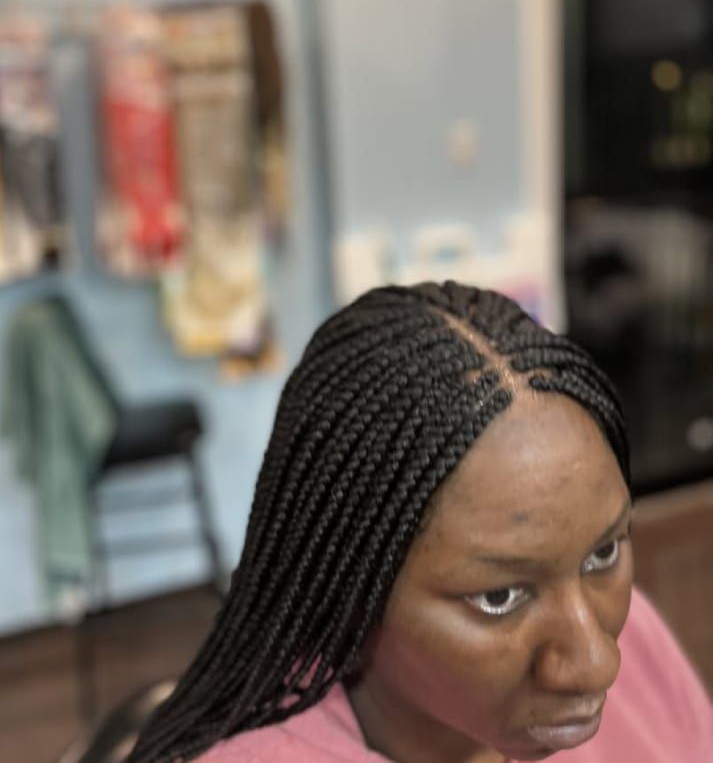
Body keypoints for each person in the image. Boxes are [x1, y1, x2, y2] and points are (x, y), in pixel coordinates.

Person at [127, 282, 712, 763]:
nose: (598, 662)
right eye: (500, 597)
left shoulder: (633, 633)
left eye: (602, 554)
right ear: (350, 592)